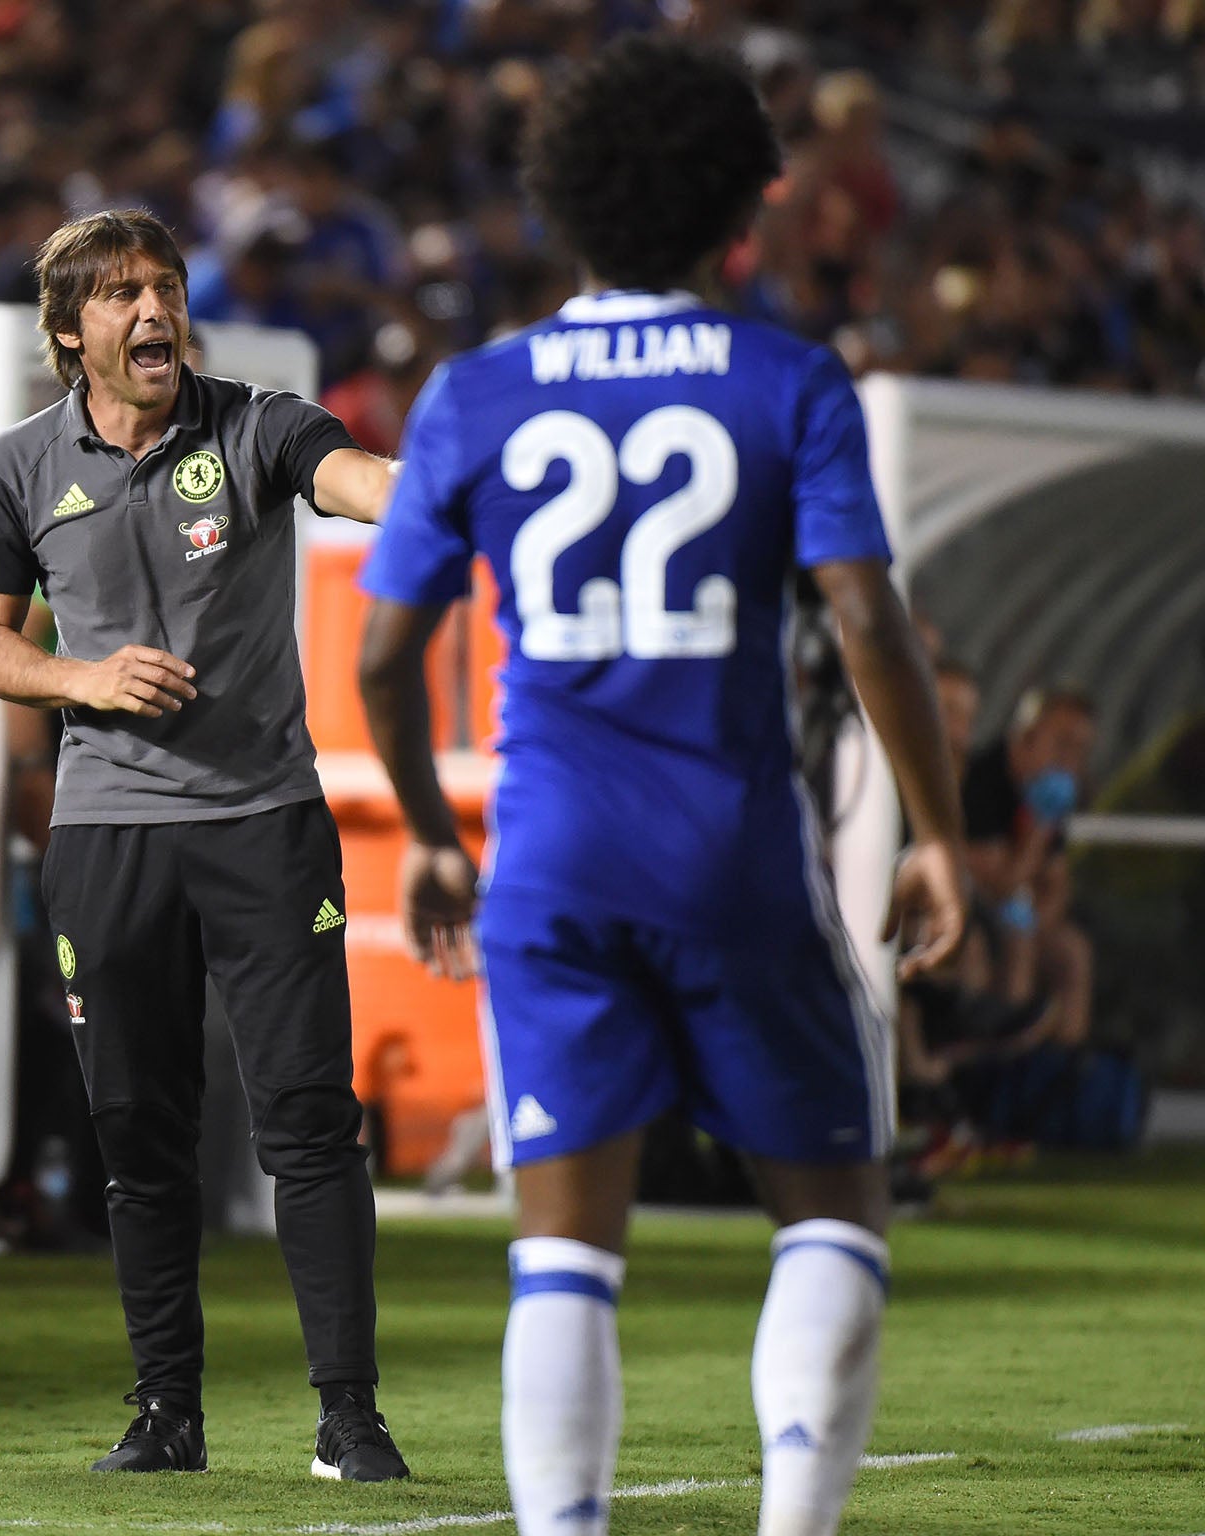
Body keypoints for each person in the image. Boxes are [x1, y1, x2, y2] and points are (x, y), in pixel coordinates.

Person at [355, 37, 967, 1536]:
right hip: (734, 855)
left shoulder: (475, 392)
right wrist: (940, 832)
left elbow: (383, 658)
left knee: (564, 1251)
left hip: (551, 863)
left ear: (562, 205)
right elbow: (868, 621)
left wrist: (435, 836)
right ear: (738, 213)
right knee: (831, 1216)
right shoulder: (786, 381)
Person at [0, 209, 407, 1481]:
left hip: (264, 824)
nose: (152, 311)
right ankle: (166, 1415)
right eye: (120, 296)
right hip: (105, 837)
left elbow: (355, 479)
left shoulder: (255, 425)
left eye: (164, 287)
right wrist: (85, 682)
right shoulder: (13, 469)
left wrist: (439, 501)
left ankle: (348, 1417)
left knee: (309, 1122)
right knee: (136, 1133)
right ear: (70, 335)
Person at [962, 685, 1096, 1049]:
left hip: (1020, 919)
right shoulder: (981, 781)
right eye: (1062, 744)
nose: (1070, 761)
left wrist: (1040, 922)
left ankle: (1062, 1076)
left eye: (1080, 751)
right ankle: (1006, 1073)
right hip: (971, 914)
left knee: (1072, 952)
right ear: (1026, 737)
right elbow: (1001, 883)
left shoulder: (1049, 797)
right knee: (1016, 947)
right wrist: (1037, 826)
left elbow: (1056, 883)